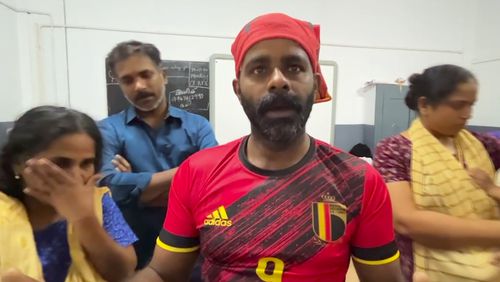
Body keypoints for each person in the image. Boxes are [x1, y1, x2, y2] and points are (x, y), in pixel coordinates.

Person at [126, 13, 404, 282]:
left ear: (316, 84)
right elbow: (163, 273)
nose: (277, 80)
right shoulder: (197, 172)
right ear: (238, 89)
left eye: (294, 67)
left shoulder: (358, 180)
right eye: (259, 69)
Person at [374, 64, 500, 281]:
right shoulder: (395, 150)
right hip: (424, 270)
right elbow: (407, 221)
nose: (467, 114)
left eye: (471, 105)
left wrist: (493, 189)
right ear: (425, 105)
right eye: (458, 105)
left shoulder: (485, 145)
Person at [99, 40, 218, 269]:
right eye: (128, 80)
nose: (139, 86)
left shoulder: (198, 126)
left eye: (146, 74)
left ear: (163, 75)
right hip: (134, 252)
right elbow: (109, 187)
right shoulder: (108, 130)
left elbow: (213, 180)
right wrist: (188, 172)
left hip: (193, 253)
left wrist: (137, 193)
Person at [0, 106, 137, 282]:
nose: (76, 176)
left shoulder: (100, 201)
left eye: (86, 163)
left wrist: (84, 218)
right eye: (61, 163)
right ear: (18, 163)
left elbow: (124, 273)